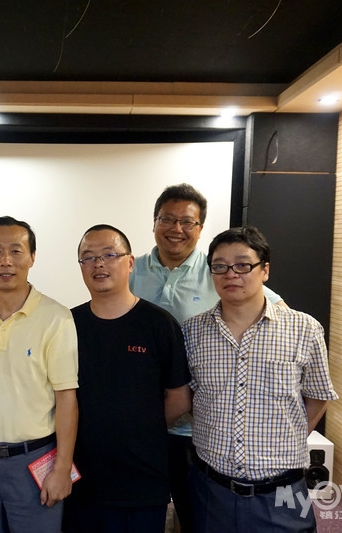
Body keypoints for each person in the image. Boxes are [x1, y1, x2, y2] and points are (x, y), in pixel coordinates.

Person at [129, 183, 285, 531]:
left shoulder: (219, 271)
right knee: (140, 513)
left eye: (187, 221)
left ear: (200, 228)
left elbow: (276, 310)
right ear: (154, 222)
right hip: (140, 421)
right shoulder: (130, 270)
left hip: (197, 429)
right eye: (167, 219)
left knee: (197, 516)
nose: (177, 229)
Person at [183, 226, 338, 533]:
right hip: (211, 490)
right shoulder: (192, 332)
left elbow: (318, 396)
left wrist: (286, 439)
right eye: (219, 266)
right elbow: (187, 398)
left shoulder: (304, 329)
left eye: (243, 265)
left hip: (282, 492)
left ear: (264, 270)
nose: (231, 274)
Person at [64, 225, 192, 533]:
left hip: (142, 481)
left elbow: (179, 399)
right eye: (88, 257)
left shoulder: (159, 324)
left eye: (109, 255)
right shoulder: (67, 324)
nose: (99, 264)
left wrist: (138, 426)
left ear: (130, 262)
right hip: (81, 481)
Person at [0, 216, 78, 533]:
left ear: (32, 257)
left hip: (35, 458)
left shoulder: (56, 317)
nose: (5, 261)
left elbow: (66, 398)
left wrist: (62, 467)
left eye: (16, 251)